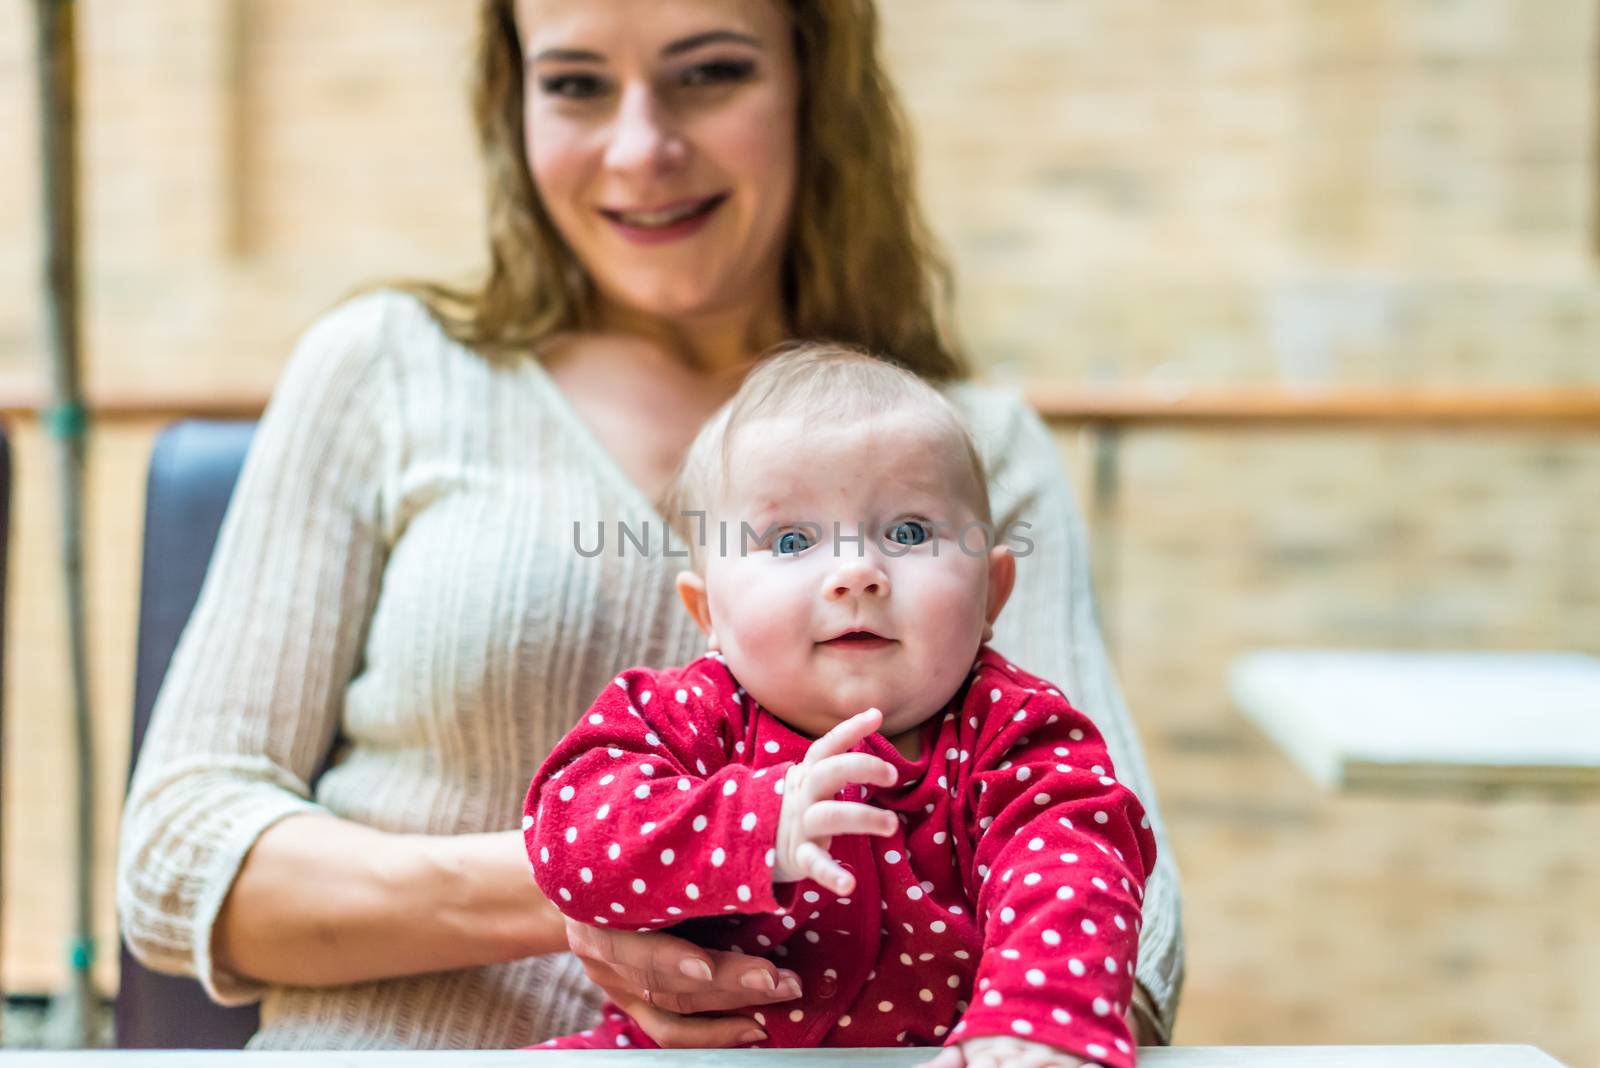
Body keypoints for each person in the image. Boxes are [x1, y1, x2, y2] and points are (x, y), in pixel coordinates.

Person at [116, 0, 1183, 1051]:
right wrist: (620, 880)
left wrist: (1029, 1035)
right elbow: (175, 859)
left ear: (817, 85)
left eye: (709, 73)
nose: (641, 149)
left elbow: (1116, 883)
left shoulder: (974, 447)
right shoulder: (383, 368)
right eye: (576, 83)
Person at [524, 346, 1156, 1068]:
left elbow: (1074, 868)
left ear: (993, 594)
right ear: (710, 614)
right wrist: (755, 823)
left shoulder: (1015, 733)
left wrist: (1031, 1021)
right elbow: (568, 837)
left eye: (910, 533)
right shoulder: (682, 715)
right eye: (791, 540)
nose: (857, 571)